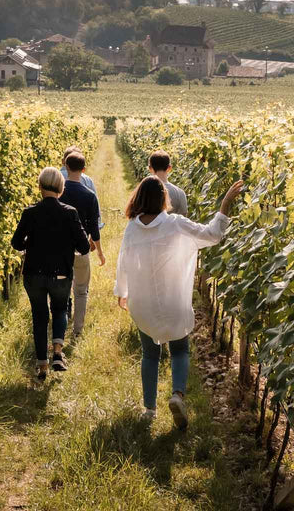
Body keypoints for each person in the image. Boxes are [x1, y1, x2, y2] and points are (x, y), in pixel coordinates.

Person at [114, 174, 244, 427]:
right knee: (180, 350)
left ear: (138, 198)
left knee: (149, 355)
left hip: (144, 303)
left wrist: (123, 291)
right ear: (164, 199)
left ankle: (149, 410)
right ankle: (177, 395)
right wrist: (225, 204)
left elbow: (123, 262)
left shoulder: (132, 228)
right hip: (173, 300)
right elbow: (212, 234)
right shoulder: (175, 224)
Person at [11, 166, 91, 379]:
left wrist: (33, 241)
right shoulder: (70, 213)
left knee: (39, 316)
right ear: (61, 188)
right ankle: (57, 352)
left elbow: (16, 243)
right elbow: (83, 247)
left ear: (39, 187)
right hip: (61, 273)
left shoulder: (29, 213)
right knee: (60, 309)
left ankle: (42, 365)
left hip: (34, 274)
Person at [59, 151, 104, 341]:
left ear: (66, 168)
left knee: (62, 288)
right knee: (81, 290)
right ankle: (77, 330)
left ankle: (61, 323)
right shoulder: (89, 195)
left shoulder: (58, 194)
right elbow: (94, 227)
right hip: (81, 248)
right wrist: (100, 252)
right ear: (84, 170)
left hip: (60, 248)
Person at [147, 150, 189, 218]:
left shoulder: (143, 191)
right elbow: (183, 218)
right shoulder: (180, 193)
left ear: (150, 168)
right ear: (169, 168)